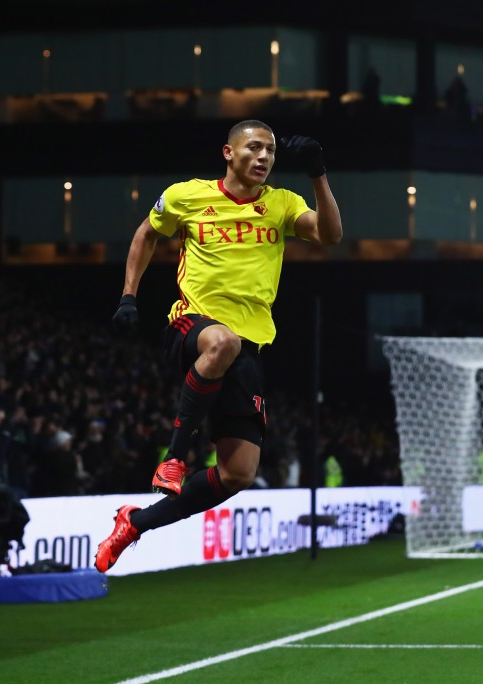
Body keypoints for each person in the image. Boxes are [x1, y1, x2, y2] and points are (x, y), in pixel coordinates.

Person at [95, 119, 343, 572]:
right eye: (254, 147)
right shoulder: (187, 196)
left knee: (239, 474)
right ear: (228, 153)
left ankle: (136, 523)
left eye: (270, 150)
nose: (265, 157)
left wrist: (318, 174)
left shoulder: (282, 204)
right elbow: (146, 233)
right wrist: (128, 296)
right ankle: (172, 460)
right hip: (193, 325)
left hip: (248, 348)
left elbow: (330, 235)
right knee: (222, 341)